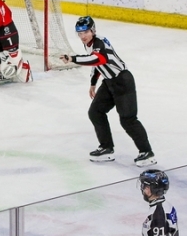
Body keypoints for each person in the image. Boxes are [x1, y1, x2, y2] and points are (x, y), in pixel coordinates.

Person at [59, 16, 156, 166]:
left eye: (85, 32)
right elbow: (96, 64)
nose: (82, 36)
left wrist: (72, 58)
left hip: (123, 82)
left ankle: (147, 153)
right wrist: (93, 83)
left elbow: (97, 59)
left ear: (93, 30)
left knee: (128, 120)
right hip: (109, 82)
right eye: (79, 33)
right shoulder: (90, 43)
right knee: (95, 112)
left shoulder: (99, 42)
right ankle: (106, 148)